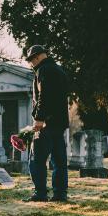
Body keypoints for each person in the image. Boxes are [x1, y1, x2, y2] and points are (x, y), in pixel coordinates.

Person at [23, 45, 69, 202]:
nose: (31, 64)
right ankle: (60, 193)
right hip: (59, 123)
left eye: (31, 60)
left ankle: (40, 193)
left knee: (36, 160)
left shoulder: (44, 71)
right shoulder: (59, 70)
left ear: (36, 57)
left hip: (46, 123)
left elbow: (44, 96)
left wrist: (39, 119)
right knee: (59, 161)